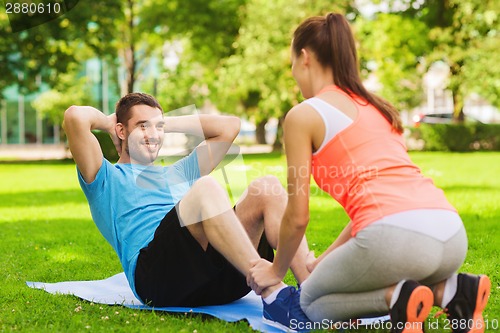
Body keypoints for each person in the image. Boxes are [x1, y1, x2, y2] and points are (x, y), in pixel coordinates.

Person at [247, 13, 491, 333]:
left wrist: (276, 271)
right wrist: (322, 261)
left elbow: (297, 215)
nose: (294, 74)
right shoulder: (378, 107)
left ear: (304, 58)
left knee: (308, 305)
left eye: (292, 64)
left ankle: (398, 298)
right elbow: (375, 206)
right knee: (331, 280)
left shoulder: (303, 115)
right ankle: (454, 291)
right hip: (450, 233)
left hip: (396, 240)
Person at [63, 92, 311, 311]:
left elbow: (229, 126)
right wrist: (109, 122)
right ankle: (273, 292)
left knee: (266, 186)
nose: (153, 135)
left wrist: (160, 123)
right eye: (142, 127)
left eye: (156, 128)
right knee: (205, 188)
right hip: (158, 281)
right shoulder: (106, 177)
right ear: (121, 131)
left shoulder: (178, 172)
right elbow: (75, 117)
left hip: (220, 279)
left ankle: (311, 293)